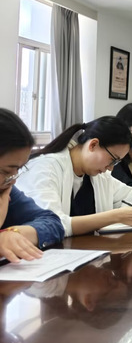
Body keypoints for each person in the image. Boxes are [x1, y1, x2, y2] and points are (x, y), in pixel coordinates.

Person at [16, 116, 132, 237]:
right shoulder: (45, 168)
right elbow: (52, 224)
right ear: (93, 145)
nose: (110, 168)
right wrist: (115, 216)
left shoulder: (97, 175)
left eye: (117, 162)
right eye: (112, 160)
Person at [0, 109, 64, 262]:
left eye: (19, 169)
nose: (13, 180)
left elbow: (52, 222)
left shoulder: (6, 189)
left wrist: (13, 234)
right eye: (6, 171)